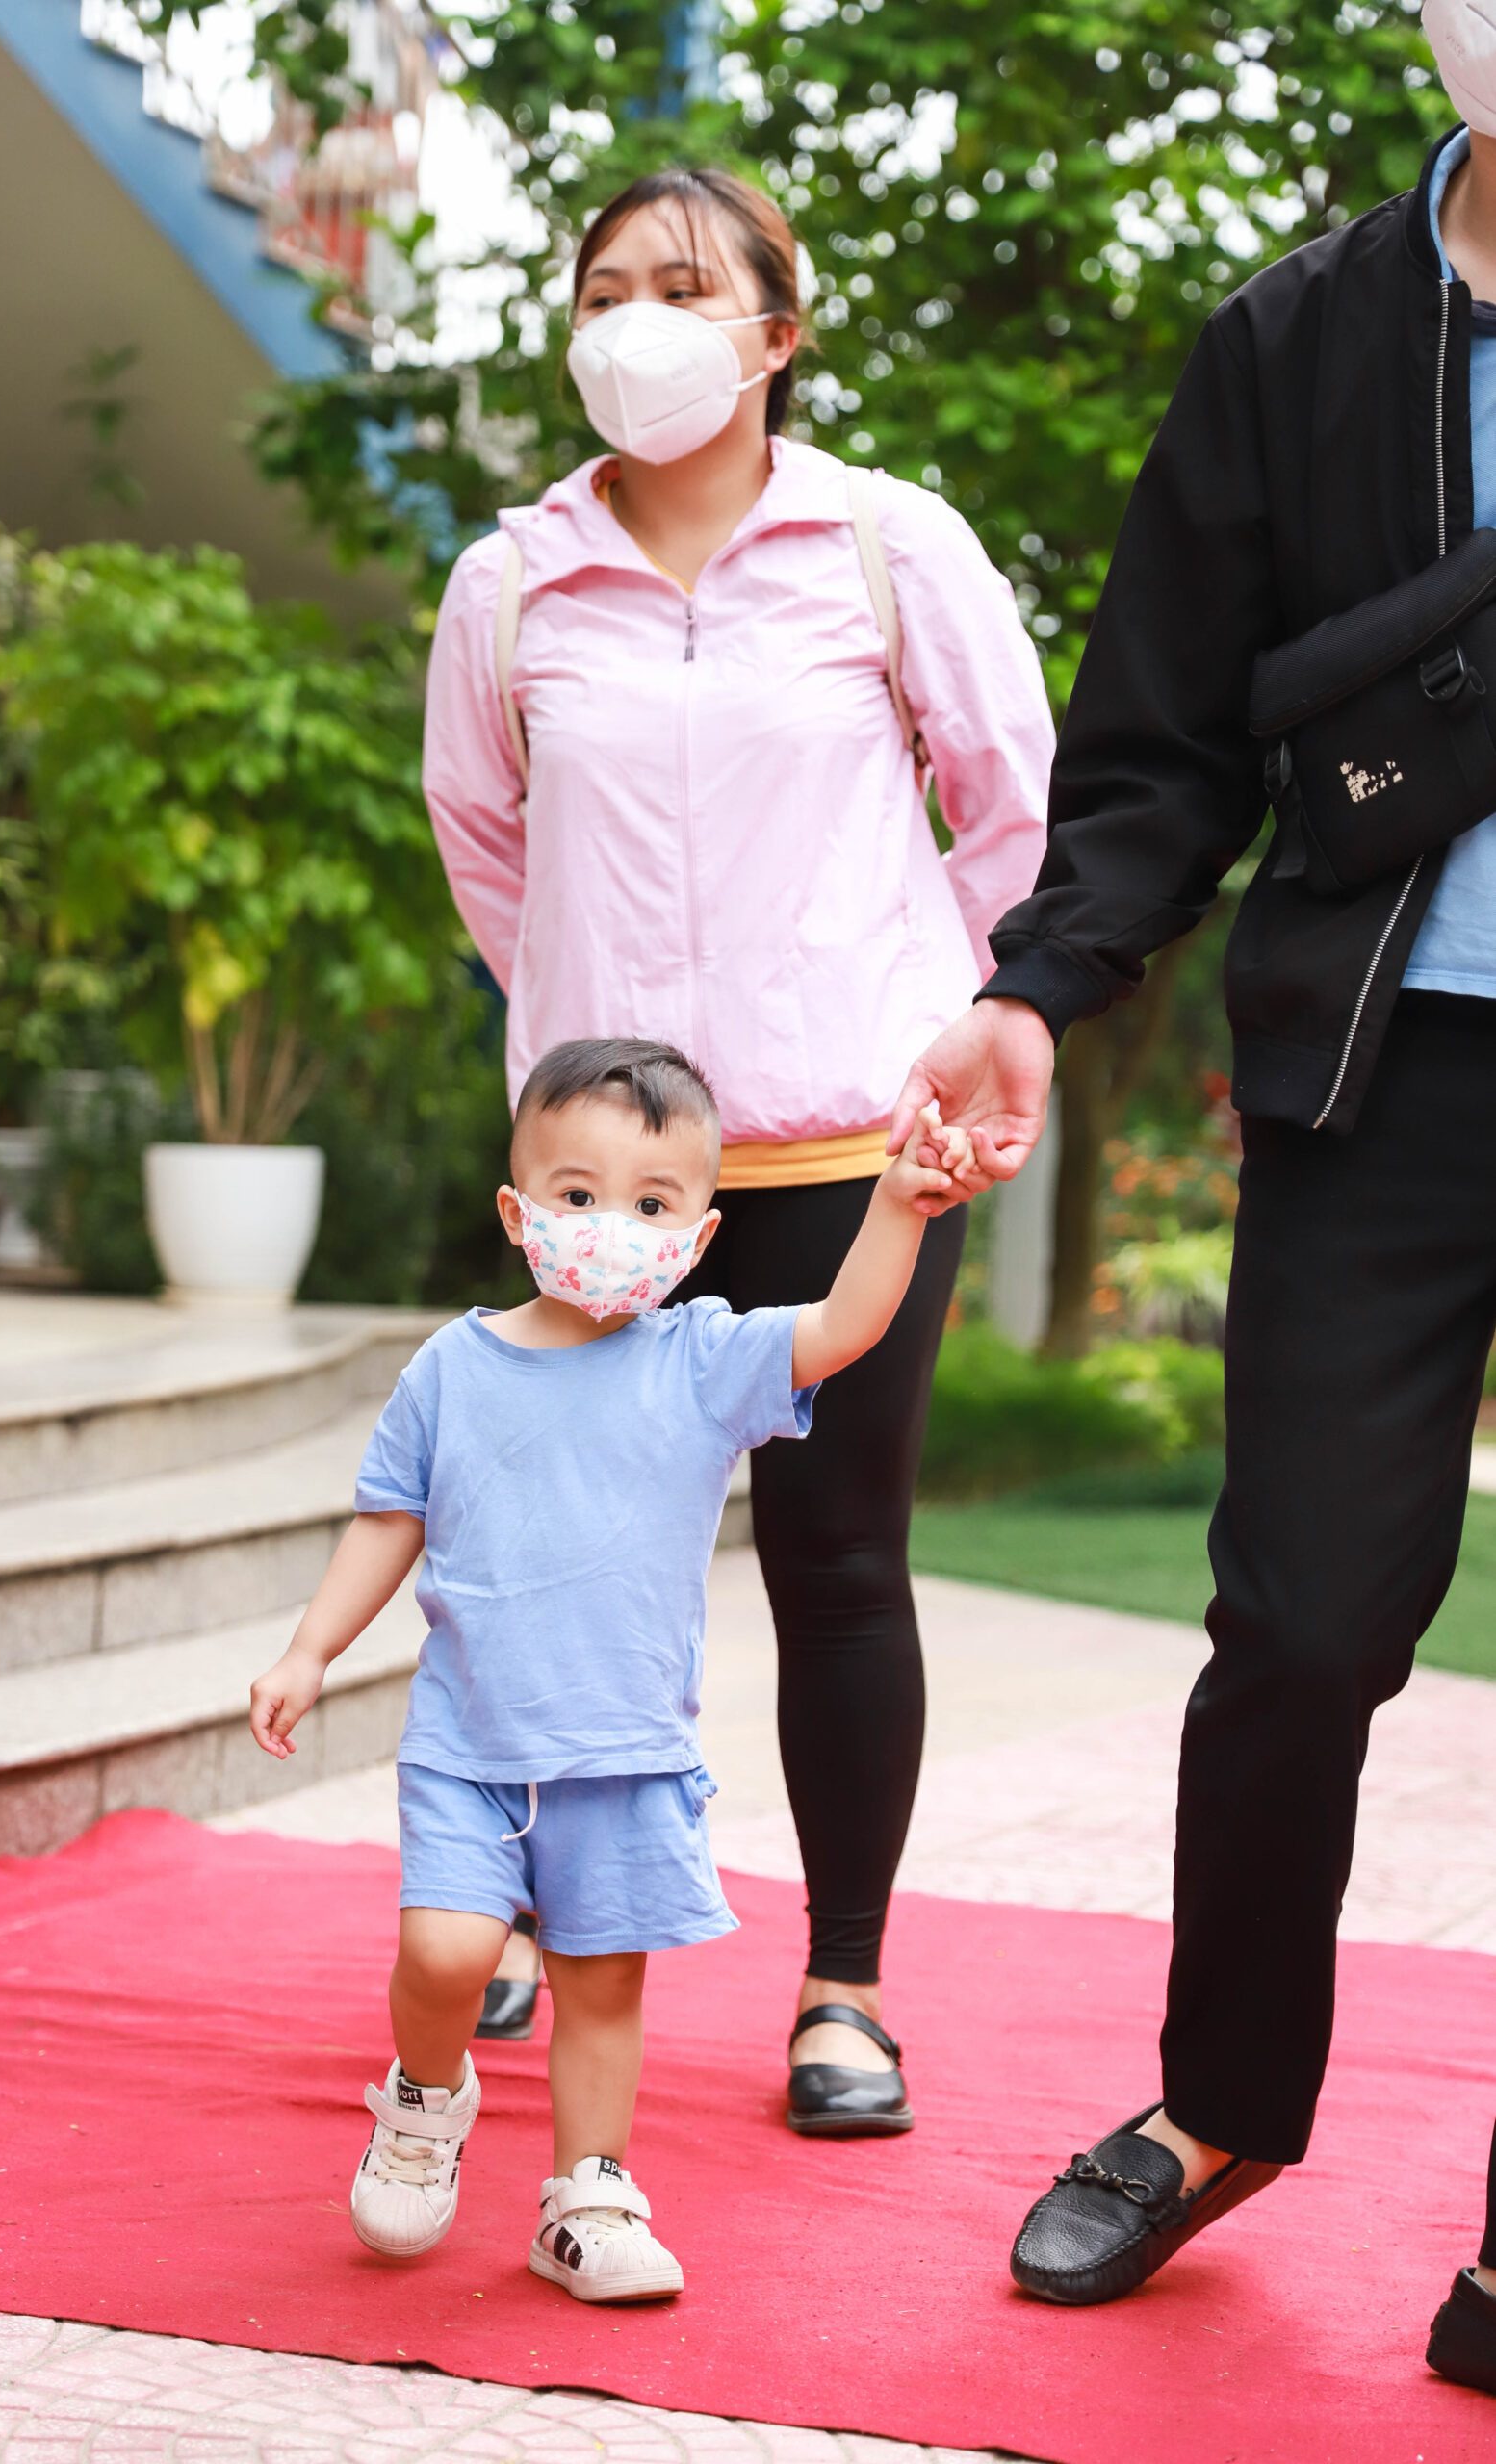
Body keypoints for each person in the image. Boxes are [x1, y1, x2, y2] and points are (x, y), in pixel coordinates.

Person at [889, 7, 1496, 2394]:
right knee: (1298, 1626)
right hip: (1380, 1068)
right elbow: (1155, 732)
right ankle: (1219, 2102)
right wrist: (1040, 983)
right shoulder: (1296, 337)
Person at [422, 165, 1051, 2129]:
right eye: (606, 284)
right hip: (608, 1181)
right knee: (552, 1561)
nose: (638, 317)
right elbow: (485, 845)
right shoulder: (509, 583)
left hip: (853, 1153)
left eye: (684, 284)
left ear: (778, 330)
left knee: (837, 1561)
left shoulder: (886, 546)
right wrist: (586, 1047)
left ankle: (842, 1988)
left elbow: (1011, 808)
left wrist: (944, 1011)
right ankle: (514, 1912)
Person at [245, 1038, 964, 2302]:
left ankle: (586, 2196)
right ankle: (424, 2101)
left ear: (699, 1236)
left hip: (625, 1752)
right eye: (577, 1195)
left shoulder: (703, 1362)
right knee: (447, 1953)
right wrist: (311, 1650)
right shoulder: (452, 1368)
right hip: (471, 1745)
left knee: (599, 1984)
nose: (610, 1227)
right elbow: (389, 1516)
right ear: (517, 1210)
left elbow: (843, 1328)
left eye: (651, 1204)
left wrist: (899, 1205)